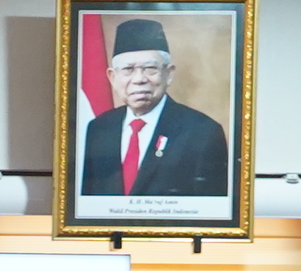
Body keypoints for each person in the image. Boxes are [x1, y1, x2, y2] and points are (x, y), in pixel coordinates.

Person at [74, 17, 232, 202]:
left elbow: (211, 212)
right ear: (112, 76)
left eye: (150, 68)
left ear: (169, 74)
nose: (139, 79)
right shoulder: (98, 129)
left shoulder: (203, 132)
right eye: (128, 69)